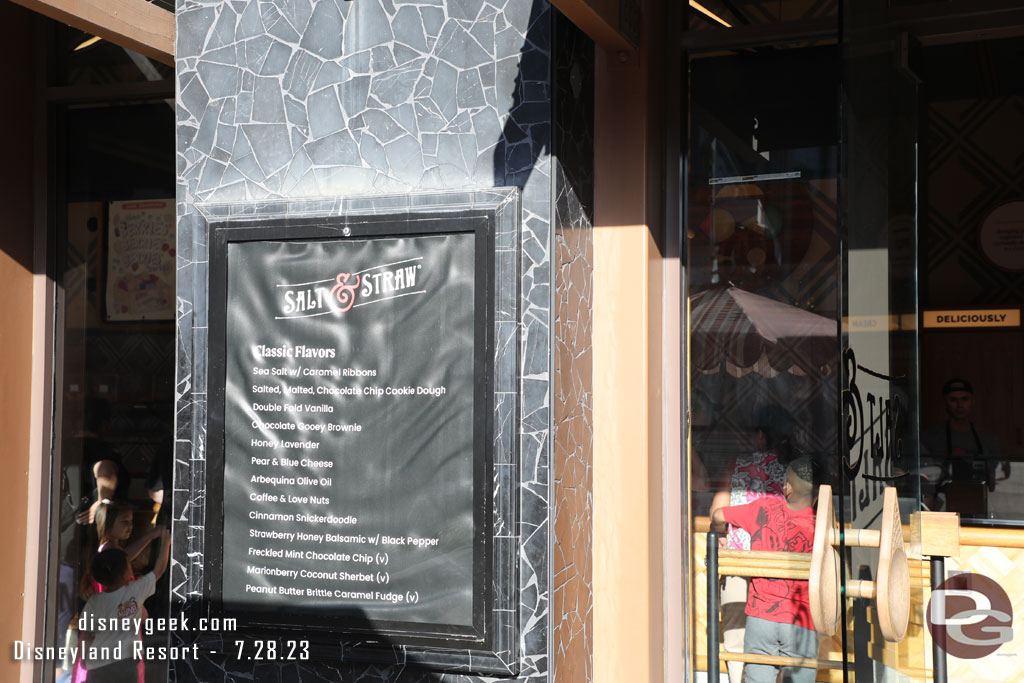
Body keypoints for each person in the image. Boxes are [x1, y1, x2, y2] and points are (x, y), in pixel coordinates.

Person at [712, 457, 818, 683]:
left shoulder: (763, 508)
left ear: (786, 487)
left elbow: (718, 514)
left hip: (761, 619)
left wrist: (719, 531)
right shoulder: (822, 523)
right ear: (817, 495)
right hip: (801, 621)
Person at [708, 422, 788, 683]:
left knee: (736, 632)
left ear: (760, 435)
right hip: (782, 562)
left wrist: (723, 529)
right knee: (780, 634)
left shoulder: (737, 463)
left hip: (739, 560)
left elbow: (716, 513)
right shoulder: (796, 469)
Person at [72, 501, 165, 683]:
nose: (130, 526)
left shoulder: (111, 556)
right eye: (125, 521)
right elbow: (137, 561)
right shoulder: (111, 555)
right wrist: (155, 536)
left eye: (131, 521)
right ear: (108, 525)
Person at [920, 378, 1007, 514]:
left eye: (965, 399)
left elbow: (993, 485)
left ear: (973, 401)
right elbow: (925, 483)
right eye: (953, 400)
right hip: (943, 511)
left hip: (979, 509)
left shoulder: (988, 440)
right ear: (945, 402)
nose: (960, 405)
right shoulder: (930, 438)